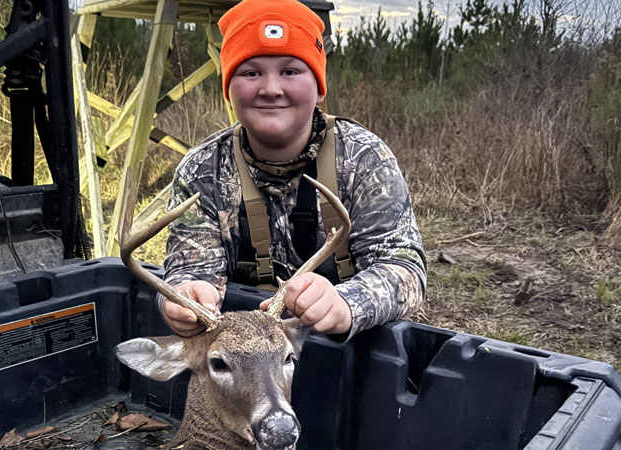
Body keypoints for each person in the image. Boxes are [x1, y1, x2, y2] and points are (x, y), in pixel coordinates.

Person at [157, 0, 426, 341]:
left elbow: (405, 270)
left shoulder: (364, 158)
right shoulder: (202, 168)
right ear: (229, 88)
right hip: (243, 356)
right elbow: (190, 268)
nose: (271, 89)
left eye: (290, 71)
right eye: (251, 72)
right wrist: (186, 296)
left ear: (318, 88)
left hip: (344, 351)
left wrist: (345, 304)